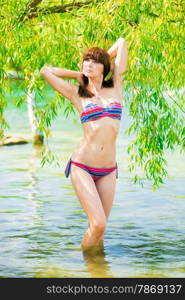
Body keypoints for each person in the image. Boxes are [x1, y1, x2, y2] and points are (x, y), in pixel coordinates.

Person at [40, 37, 128, 251]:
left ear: (105, 67)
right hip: (83, 167)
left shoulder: (116, 86)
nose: (89, 63)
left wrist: (102, 58)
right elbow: (45, 71)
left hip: (108, 169)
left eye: (94, 61)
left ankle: (98, 275)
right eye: (86, 60)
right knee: (98, 224)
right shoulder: (76, 93)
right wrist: (78, 74)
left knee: (100, 231)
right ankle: (84, 267)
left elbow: (122, 42)